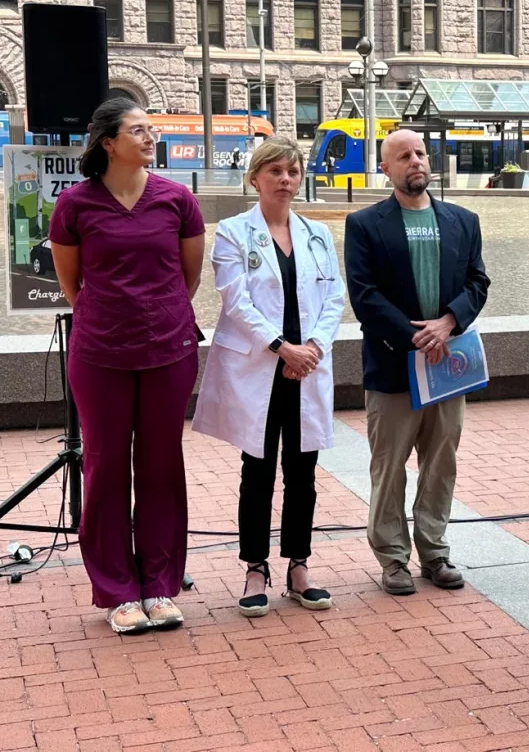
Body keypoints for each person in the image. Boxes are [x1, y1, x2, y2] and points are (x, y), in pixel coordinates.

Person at [48, 97, 205, 634]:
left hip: (169, 351)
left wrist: (157, 315)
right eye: (138, 130)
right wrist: (111, 317)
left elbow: (188, 278)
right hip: (100, 355)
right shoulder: (75, 205)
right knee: (105, 467)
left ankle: (159, 585)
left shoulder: (178, 200)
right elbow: (72, 284)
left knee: (162, 465)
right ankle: (117, 591)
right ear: (108, 142)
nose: (150, 137)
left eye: (151, 128)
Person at [192, 137, 345, 617]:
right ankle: (255, 567)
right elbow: (235, 301)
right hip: (261, 365)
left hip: (306, 368)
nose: (285, 179)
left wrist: (312, 348)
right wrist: (282, 347)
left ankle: (299, 567)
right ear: (254, 178)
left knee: (303, 473)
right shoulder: (233, 232)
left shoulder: (317, 234)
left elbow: (334, 298)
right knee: (256, 471)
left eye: (292, 171)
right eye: (275, 171)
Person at [344, 129, 489, 596]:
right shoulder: (364, 224)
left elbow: (478, 282)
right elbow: (364, 295)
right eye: (404, 155)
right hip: (393, 366)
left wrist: (448, 322)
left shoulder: (463, 221)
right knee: (390, 466)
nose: (416, 161)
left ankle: (434, 552)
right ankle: (392, 558)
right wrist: (415, 337)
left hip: (447, 365)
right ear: (385, 168)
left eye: (421, 153)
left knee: (441, 463)